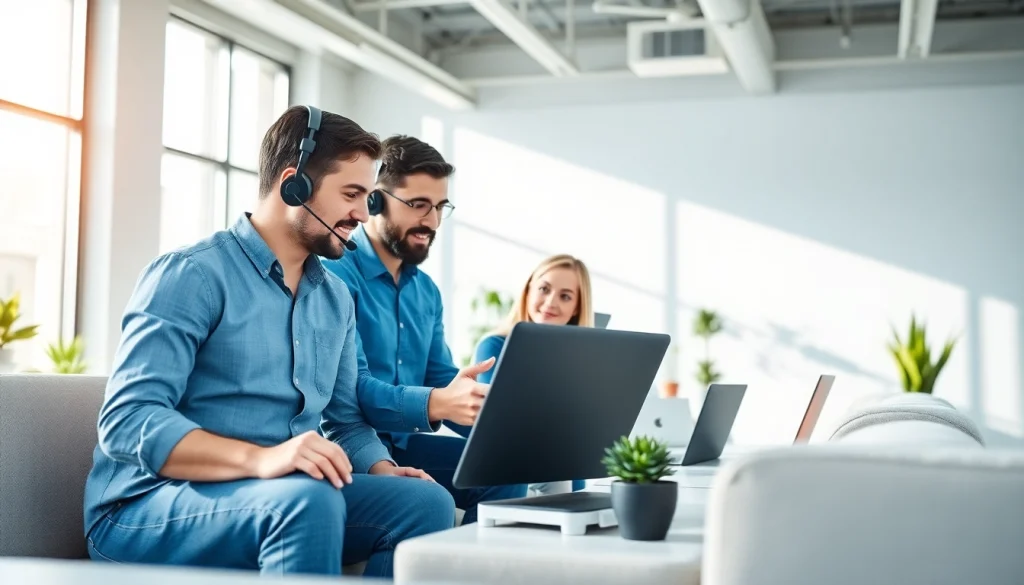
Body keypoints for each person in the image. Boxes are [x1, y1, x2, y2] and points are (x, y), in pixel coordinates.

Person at [82, 106, 455, 578]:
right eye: (352, 194)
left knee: (424, 504)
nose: (363, 212)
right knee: (305, 500)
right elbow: (127, 421)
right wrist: (264, 459)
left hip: (278, 492)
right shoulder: (192, 275)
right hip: (145, 508)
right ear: (292, 184)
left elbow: (345, 420)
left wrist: (381, 470)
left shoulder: (335, 297)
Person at [322, 135, 527, 523]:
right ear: (374, 201)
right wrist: (438, 401)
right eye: (418, 205)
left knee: (508, 466)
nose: (431, 222)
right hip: (347, 445)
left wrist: (499, 419)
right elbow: (350, 389)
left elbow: (439, 376)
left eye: (439, 207)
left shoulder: (426, 292)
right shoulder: (336, 276)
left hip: (403, 442)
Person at [473, 254, 595, 494]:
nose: (550, 302)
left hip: (564, 466)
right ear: (528, 291)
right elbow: (500, 425)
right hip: (509, 465)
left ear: (576, 307)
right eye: (544, 289)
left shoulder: (578, 359)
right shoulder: (494, 346)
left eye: (565, 296)